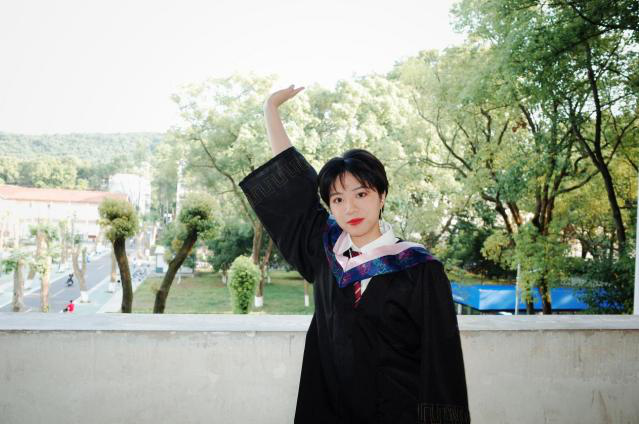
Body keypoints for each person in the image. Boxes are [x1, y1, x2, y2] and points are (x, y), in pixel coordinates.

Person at [238, 85, 470, 423]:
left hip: (397, 414)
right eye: (338, 199)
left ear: (382, 196)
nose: (350, 208)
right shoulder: (325, 250)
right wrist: (270, 109)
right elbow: (295, 188)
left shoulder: (420, 269)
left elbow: (442, 361)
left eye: (361, 194)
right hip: (330, 412)